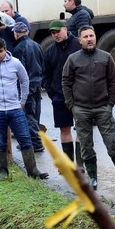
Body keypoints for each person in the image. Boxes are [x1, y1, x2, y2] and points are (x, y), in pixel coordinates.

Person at [62, 25, 115, 190]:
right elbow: (66, 82)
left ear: (96, 38)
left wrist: (110, 104)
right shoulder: (72, 59)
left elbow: (113, 82)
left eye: (91, 36)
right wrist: (72, 105)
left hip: (103, 108)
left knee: (112, 142)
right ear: (80, 40)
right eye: (85, 37)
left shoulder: (106, 57)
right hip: (81, 109)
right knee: (86, 145)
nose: (89, 39)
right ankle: (92, 178)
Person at [0, 38, 48, 181]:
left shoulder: (15, 63)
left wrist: (23, 100)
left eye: (1, 51)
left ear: (5, 50)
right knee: (0, 141)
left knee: (25, 139)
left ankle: (33, 171)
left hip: (15, 109)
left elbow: (25, 80)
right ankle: (3, 172)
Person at [42, 20, 82, 161]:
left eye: (58, 31)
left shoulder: (79, 45)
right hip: (59, 97)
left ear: (65, 29)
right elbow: (46, 75)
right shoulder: (49, 52)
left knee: (81, 129)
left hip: (80, 97)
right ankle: (69, 162)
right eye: (53, 33)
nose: (55, 35)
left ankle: (81, 163)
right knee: (64, 129)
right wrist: (52, 94)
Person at [11, 22, 45, 155]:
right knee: (35, 114)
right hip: (37, 84)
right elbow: (42, 64)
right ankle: (34, 141)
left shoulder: (19, 49)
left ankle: (35, 143)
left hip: (26, 86)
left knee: (28, 115)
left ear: (16, 33)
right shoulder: (37, 45)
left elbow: (20, 71)